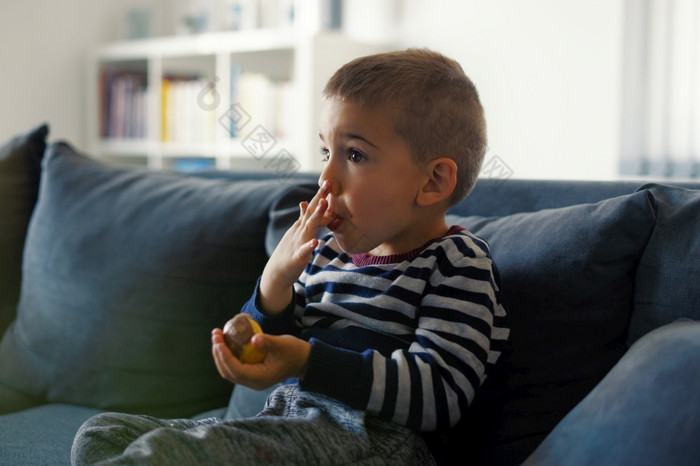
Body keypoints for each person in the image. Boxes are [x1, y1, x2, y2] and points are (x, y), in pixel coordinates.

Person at [71, 49, 509, 465]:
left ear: (433, 181)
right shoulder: (327, 258)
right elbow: (266, 350)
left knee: (170, 453)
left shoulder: (458, 262)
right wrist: (272, 285)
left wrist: (306, 360)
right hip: (286, 423)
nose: (325, 178)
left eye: (354, 154)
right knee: (102, 432)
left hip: (378, 442)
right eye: (326, 151)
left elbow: (440, 395)